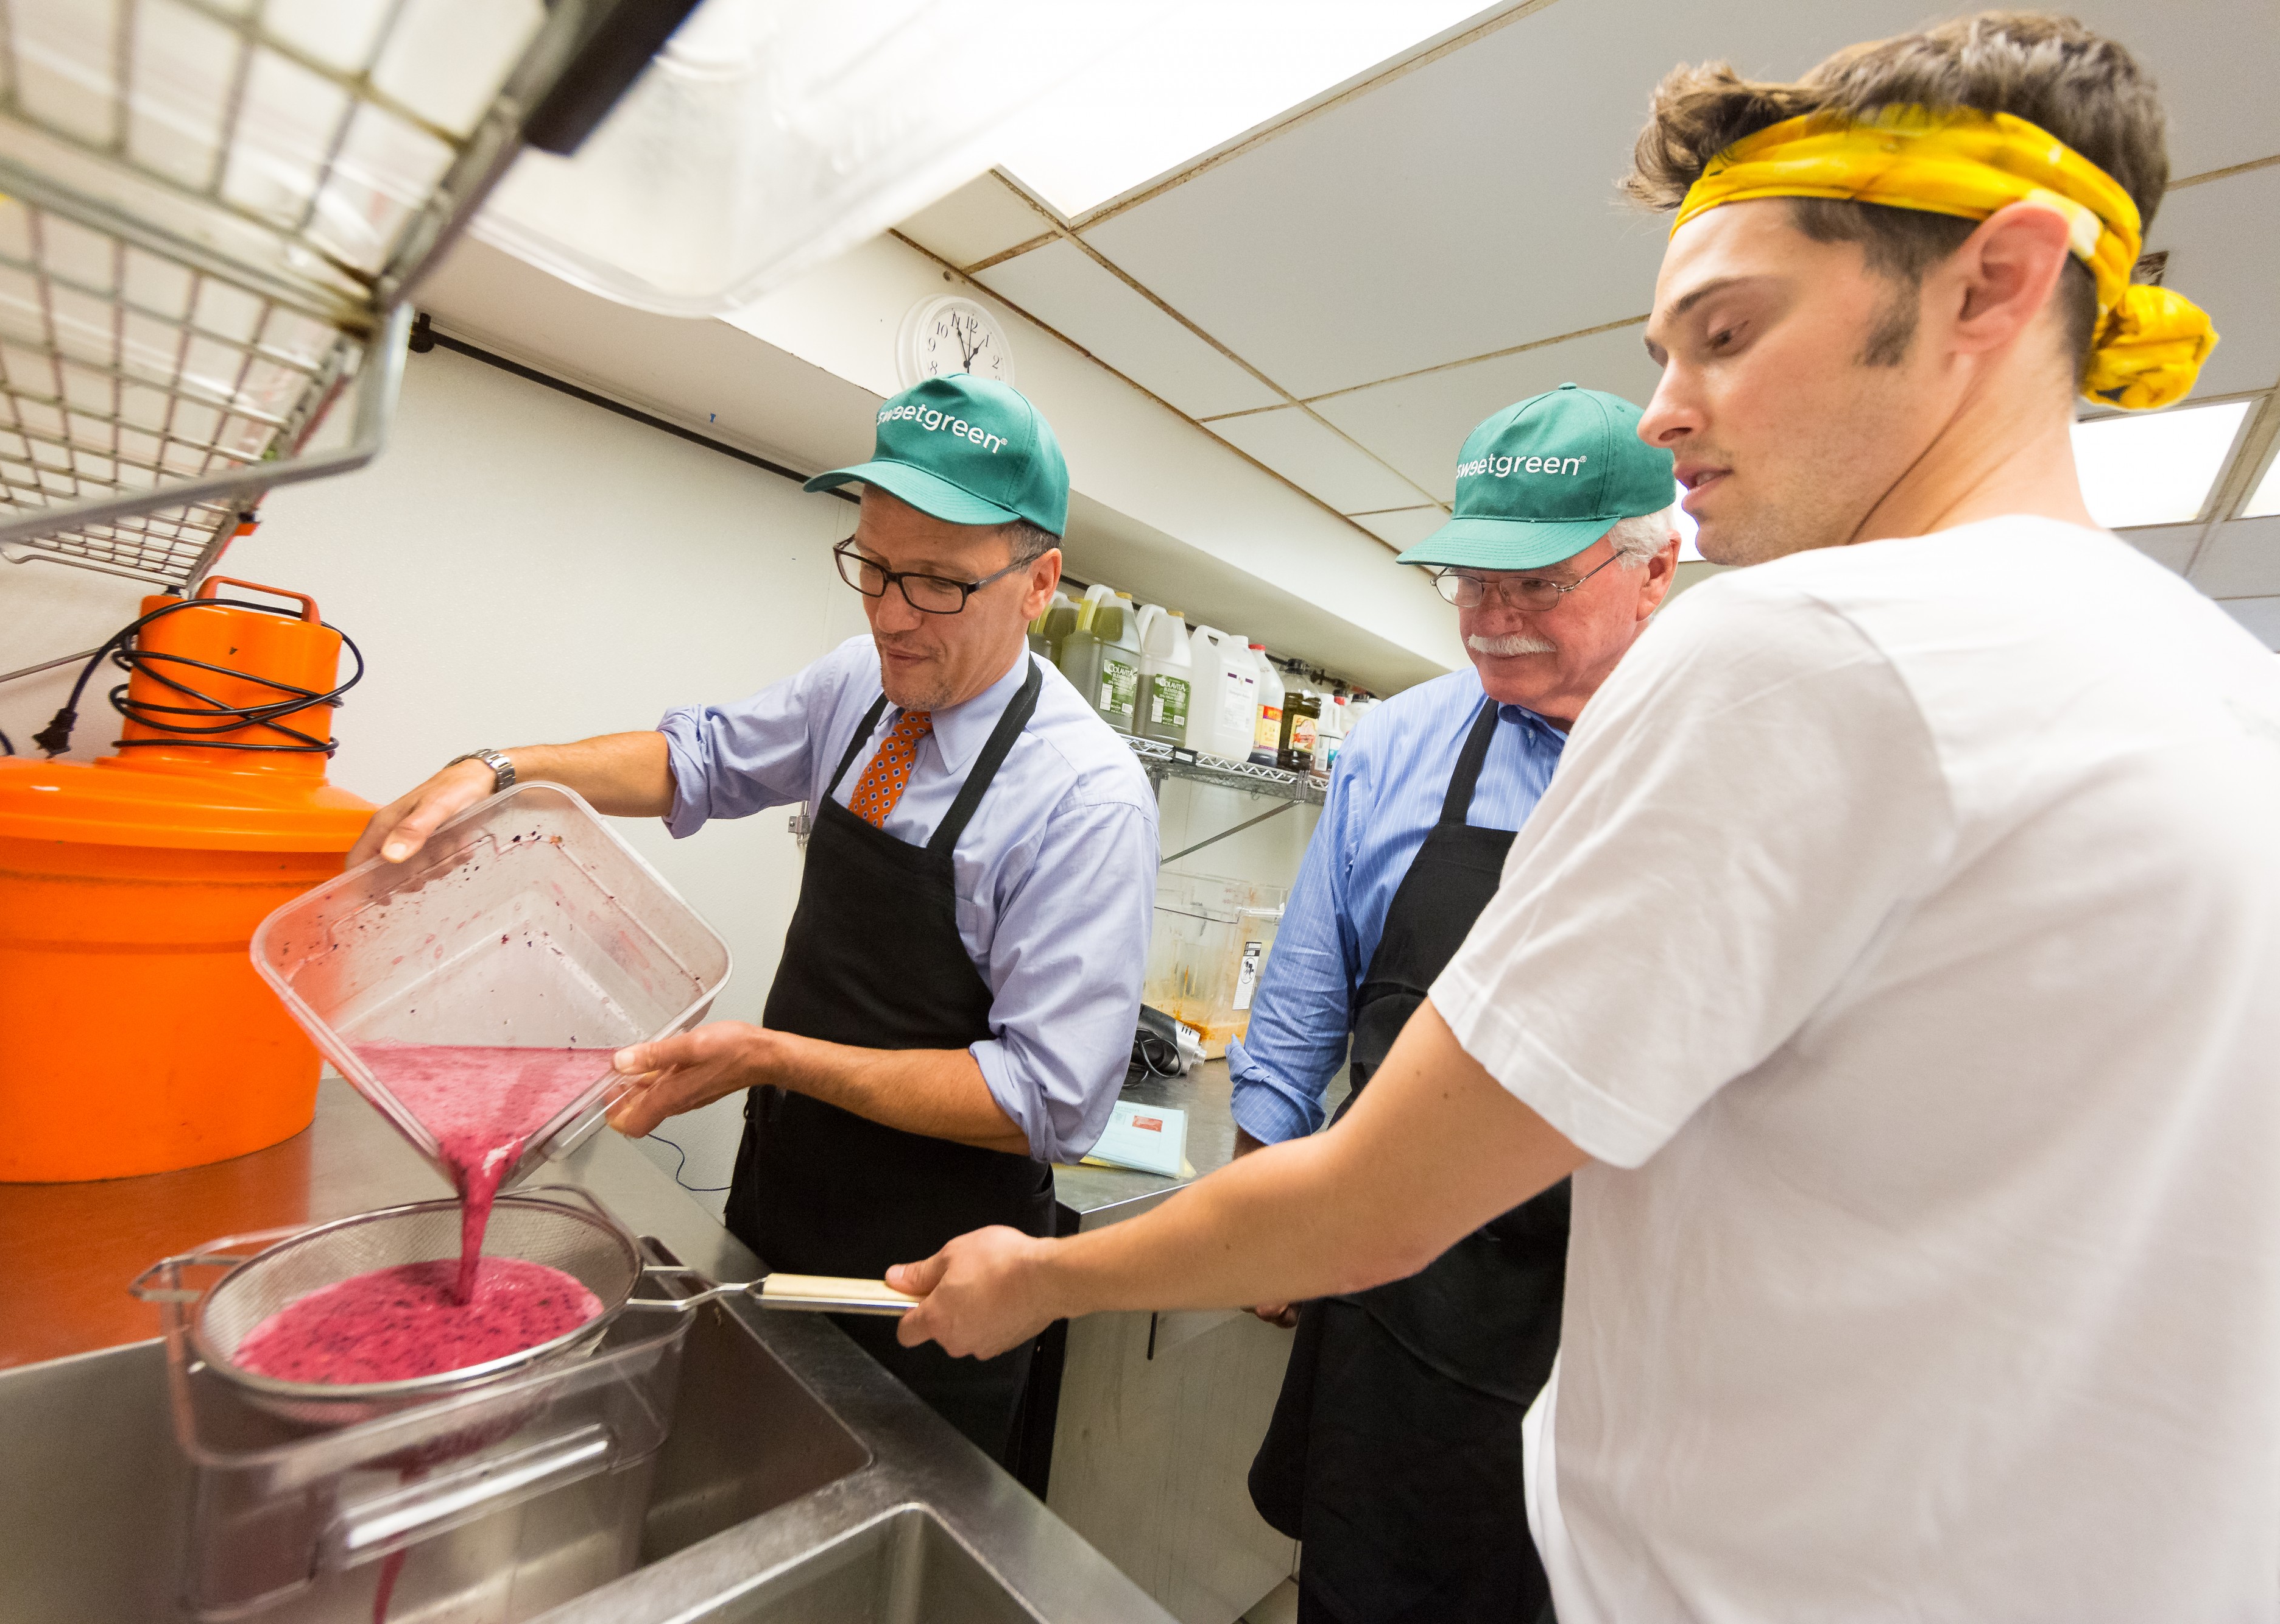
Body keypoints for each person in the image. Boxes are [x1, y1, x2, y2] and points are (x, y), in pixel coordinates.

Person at [886, 14, 2280, 1619]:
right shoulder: (2226, 696)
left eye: (1729, 332)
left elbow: (1370, 1204)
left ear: (1996, 282)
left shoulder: (1802, 653)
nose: (1671, 413)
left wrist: (1043, 1276)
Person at [350, 372, 1159, 1471]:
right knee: (738, 1465)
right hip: (778, 1195)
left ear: (1040, 583)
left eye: (934, 583)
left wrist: (770, 1055)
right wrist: (503, 772)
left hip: (941, 1275)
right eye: (871, 566)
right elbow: (701, 757)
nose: (887, 614)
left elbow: (1049, 1100)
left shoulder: (1085, 797)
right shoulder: (860, 686)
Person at [1230, 386, 1678, 1624]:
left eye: (1533, 582)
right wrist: (1265, 1173)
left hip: (1598, 1324)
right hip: (1387, 1302)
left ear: (1654, 573)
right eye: (1468, 581)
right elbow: (1309, 987)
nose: (1490, 619)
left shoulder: (1703, 771)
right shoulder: (1396, 747)